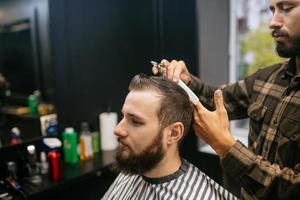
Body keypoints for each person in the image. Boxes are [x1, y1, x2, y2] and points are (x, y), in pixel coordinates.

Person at [152, 0, 300, 199]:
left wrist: (225, 146)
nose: (272, 22)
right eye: (272, 10)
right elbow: (216, 101)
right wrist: (186, 82)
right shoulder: (265, 79)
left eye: (287, 8)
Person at [102, 74, 238, 200]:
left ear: (173, 133)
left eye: (136, 121)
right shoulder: (132, 168)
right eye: (123, 116)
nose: (117, 130)